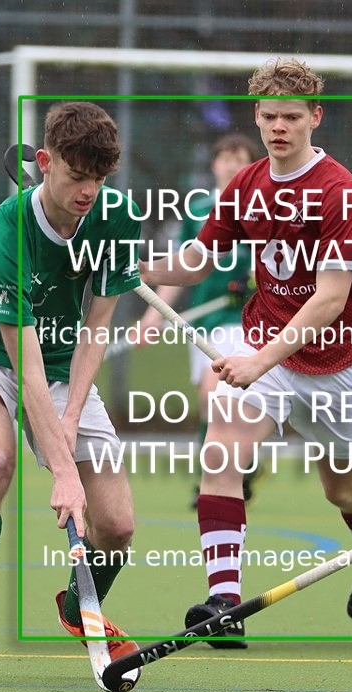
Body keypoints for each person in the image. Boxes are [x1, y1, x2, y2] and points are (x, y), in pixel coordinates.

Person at [141, 58, 352, 648]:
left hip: (343, 361)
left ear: (315, 116)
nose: (278, 127)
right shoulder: (246, 185)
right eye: (268, 116)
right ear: (256, 117)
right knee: (222, 449)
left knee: (343, 487)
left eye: (290, 116)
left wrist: (259, 361)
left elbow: (331, 299)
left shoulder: (339, 191)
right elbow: (197, 261)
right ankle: (224, 603)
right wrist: (129, 268)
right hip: (270, 346)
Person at [0, 101, 143, 685]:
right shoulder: (7, 229)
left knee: (117, 525)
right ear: (44, 163)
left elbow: (97, 329)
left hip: (63, 357)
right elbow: (21, 368)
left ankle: (80, 610)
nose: (88, 192)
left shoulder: (116, 218)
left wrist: (71, 419)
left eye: (99, 180)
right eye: (76, 177)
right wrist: (61, 472)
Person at [135, 133, 262, 508]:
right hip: (204, 323)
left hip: (244, 320)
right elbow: (184, 266)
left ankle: (219, 477)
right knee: (212, 404)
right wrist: (151, 316)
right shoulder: (198, 212)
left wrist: (253, 279)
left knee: (215, 392)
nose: (231, 163)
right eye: (224, 157)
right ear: (213, 165)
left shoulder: (262, 209)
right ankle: (236, 466)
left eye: (239, 157)